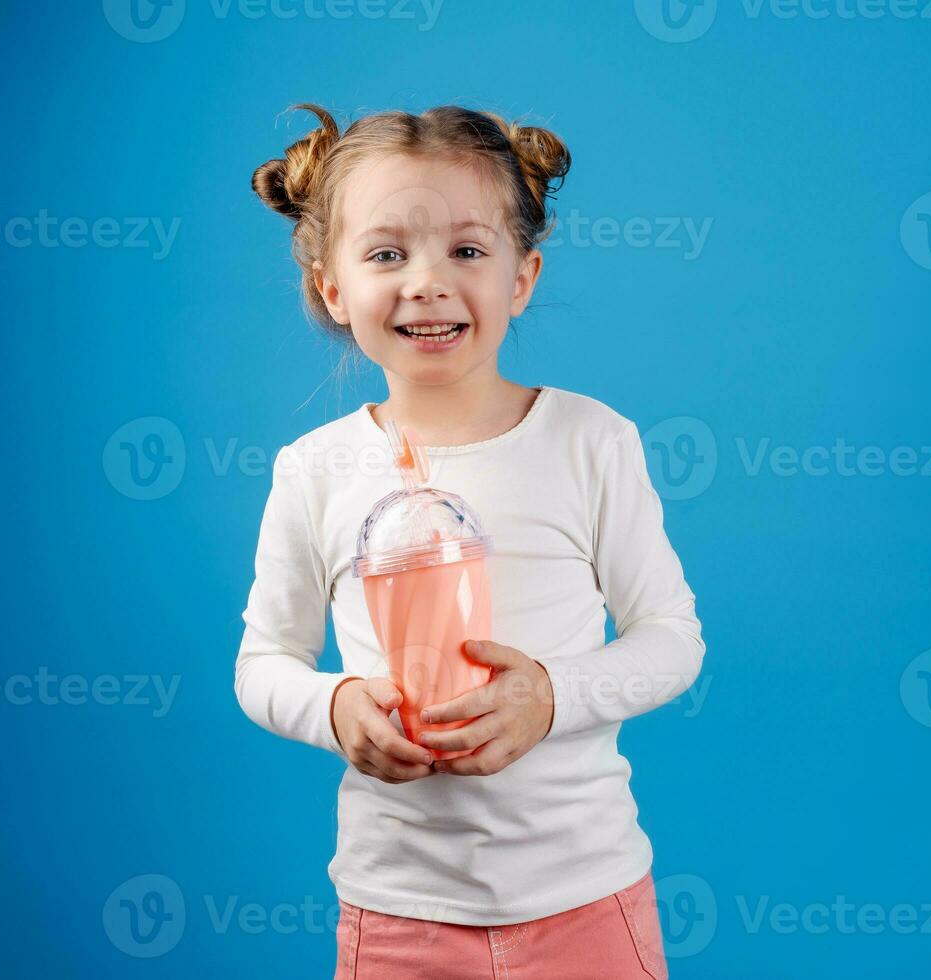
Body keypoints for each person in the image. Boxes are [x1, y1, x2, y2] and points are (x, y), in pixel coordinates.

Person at [239, 102, 704, 979]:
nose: (427, 281)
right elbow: (262, 664)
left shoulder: (590, 442)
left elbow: (673, 639)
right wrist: (336, 708)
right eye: (386, 254)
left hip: (585, 902)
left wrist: (552, 698)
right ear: (331, 285)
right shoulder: (315, 469)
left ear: (521, 277)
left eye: (467, 250)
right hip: (399, 915)